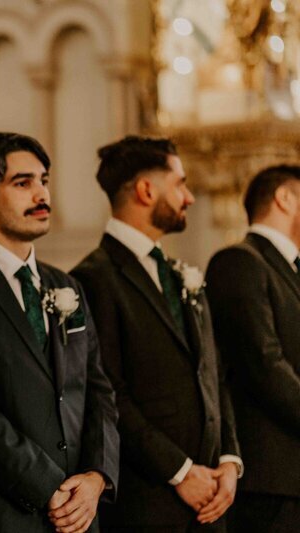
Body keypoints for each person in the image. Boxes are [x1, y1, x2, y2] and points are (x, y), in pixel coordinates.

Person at [0, 132, 119, 533]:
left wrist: (96, 477)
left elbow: (97, 389)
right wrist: (48, 487)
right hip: (1, 513)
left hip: (79, 512)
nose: (41, 194)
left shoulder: (66, 285)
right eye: (23, 183)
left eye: (44, 180)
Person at [71, 136, 242, 532]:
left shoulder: (181, 273)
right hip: (149, 502)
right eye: (180, 184)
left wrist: (230, 460)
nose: (190, 197)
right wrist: (180, 472)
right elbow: (109, 393)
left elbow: (212, 373)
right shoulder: (93, 278)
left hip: (214, 499)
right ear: (147, 190)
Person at [205, 165, 300, 533]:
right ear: (284, 198)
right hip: (273, 482)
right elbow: (263, 365)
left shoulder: (289, 271)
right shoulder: (240, 261)